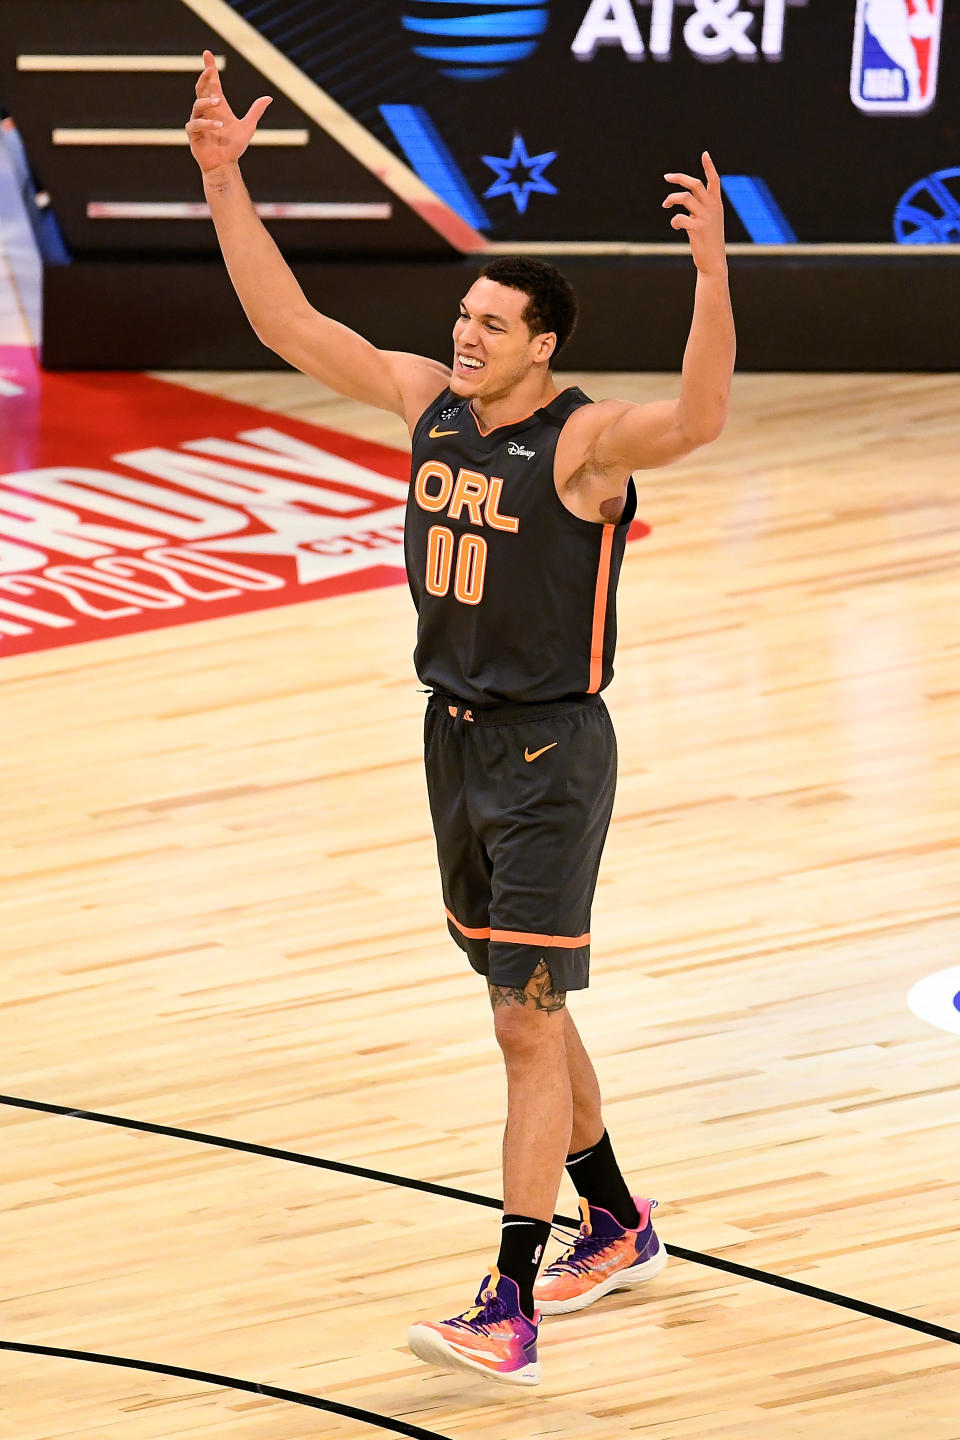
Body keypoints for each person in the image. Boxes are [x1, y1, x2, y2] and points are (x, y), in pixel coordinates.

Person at [186, 50, 735, 1388]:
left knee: (521, 1022)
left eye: (493, 324)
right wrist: (221, 181)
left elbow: (704, 417)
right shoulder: (429, 405)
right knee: (526, 997)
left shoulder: (581, 442)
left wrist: (716, 278)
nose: (468, 335)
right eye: (465, 317)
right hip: (454, 741)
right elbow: (289, 327)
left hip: (551, 750)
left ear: (543, 345)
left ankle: (509, 1298)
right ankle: (614, 1216)